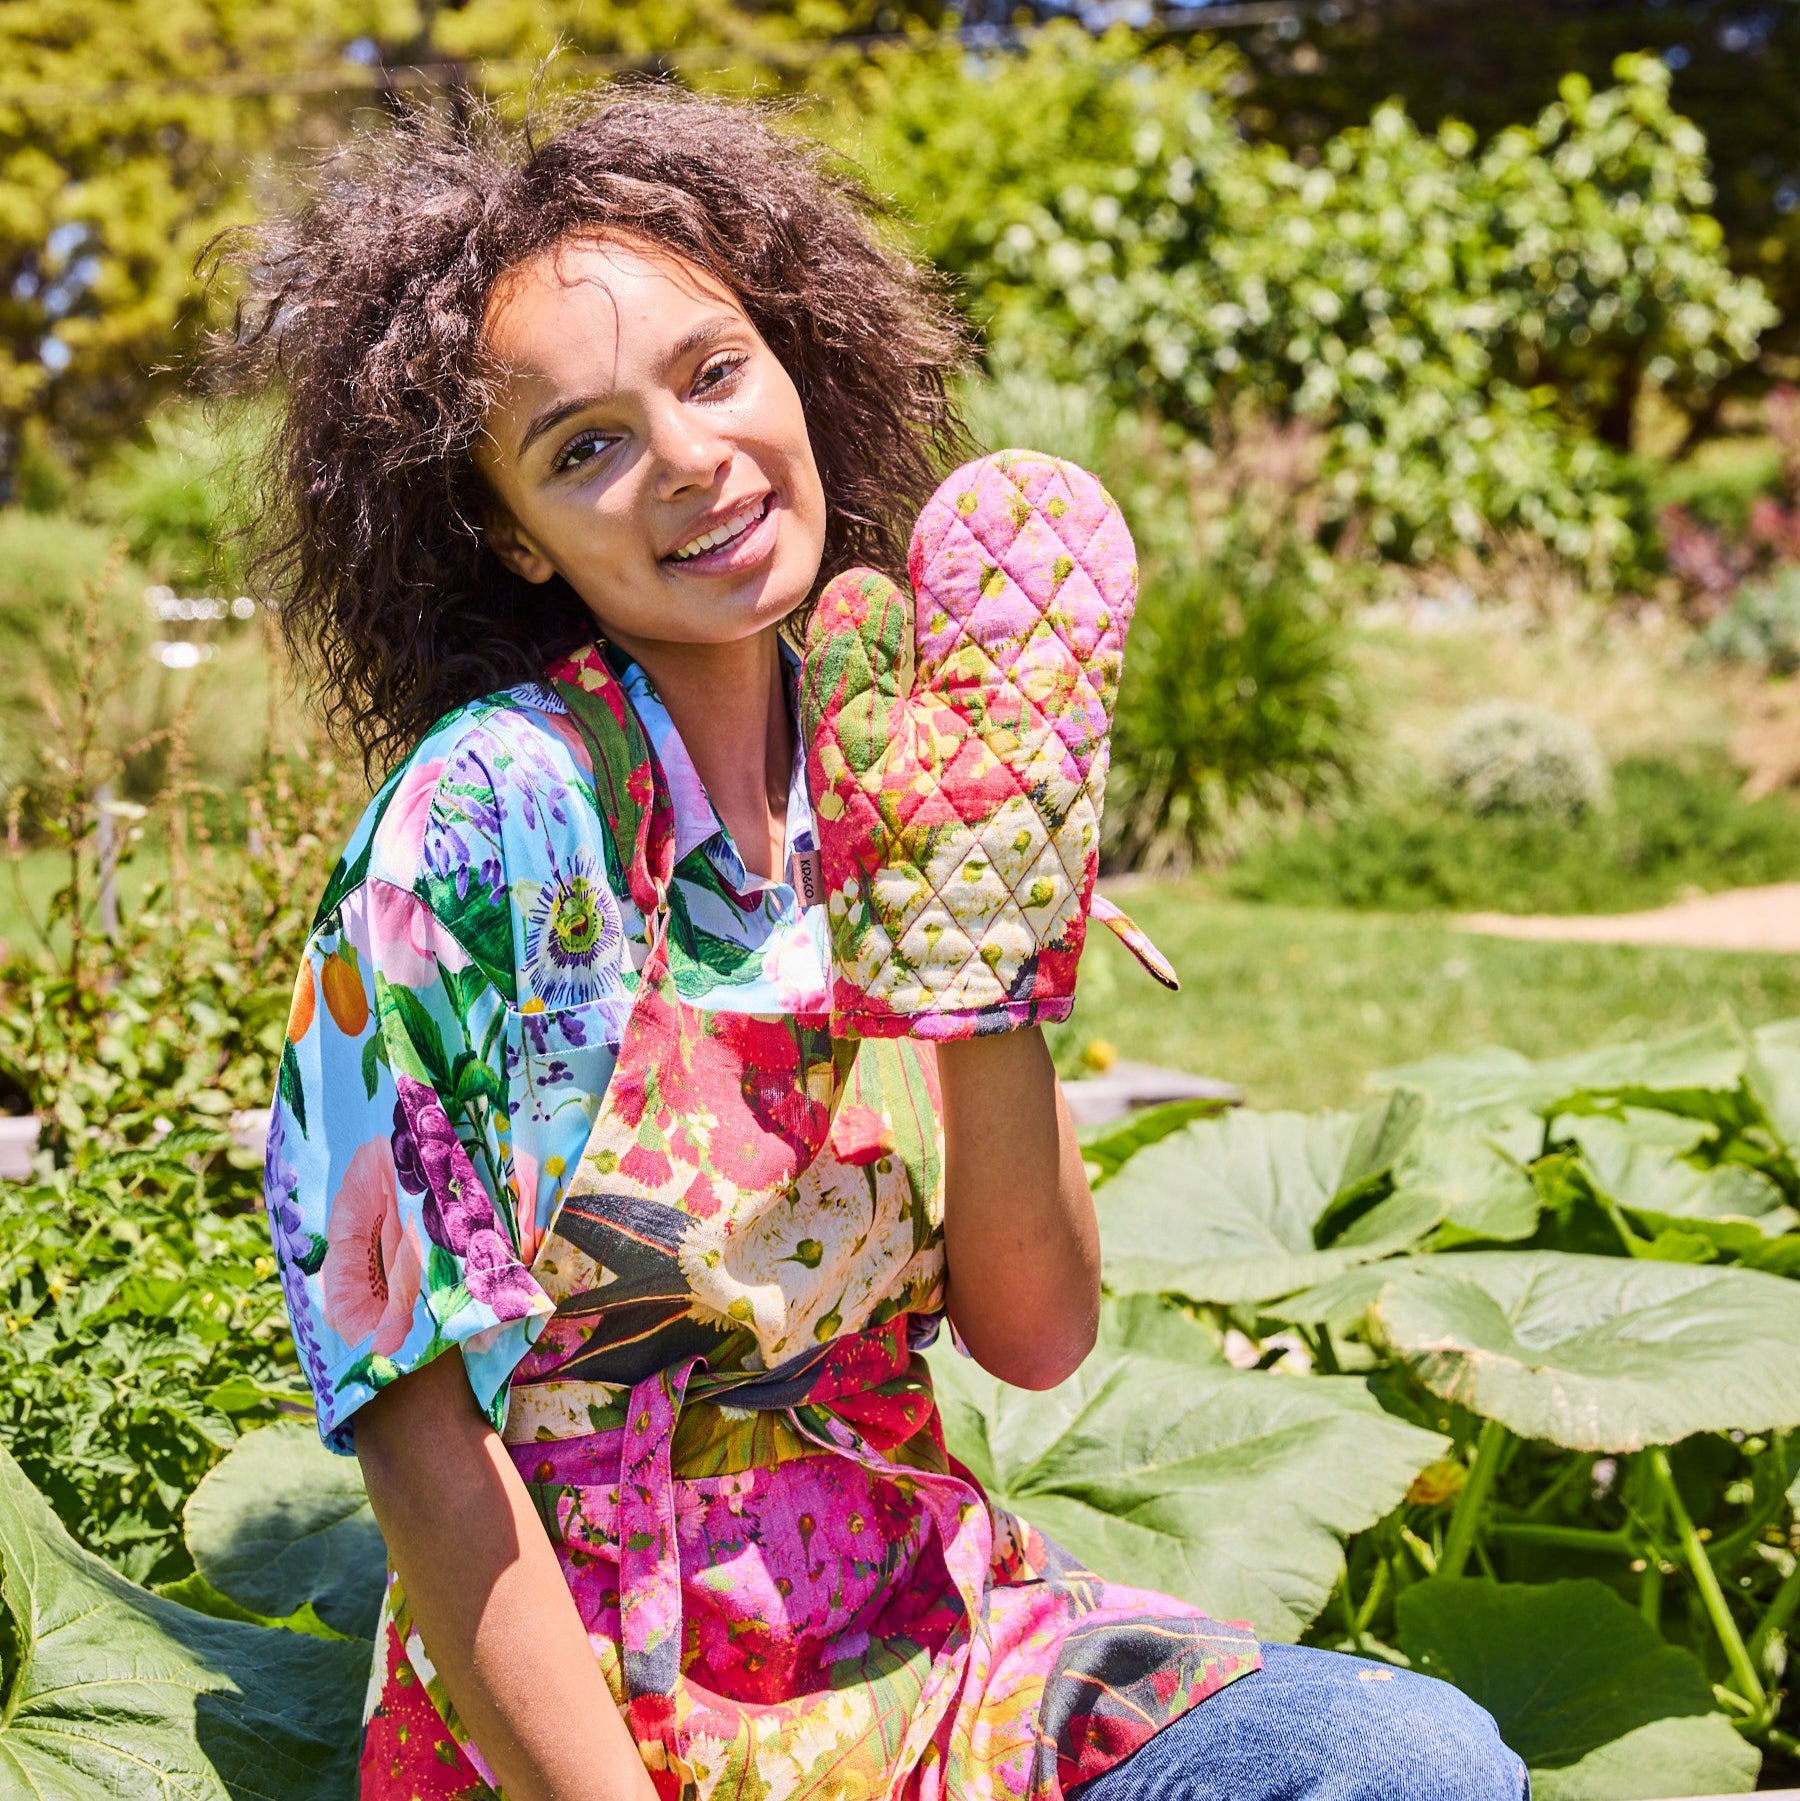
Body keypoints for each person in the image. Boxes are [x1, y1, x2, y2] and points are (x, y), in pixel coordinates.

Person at [235, 88, 1528, 1801]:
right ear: (505, 530)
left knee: (1399, 1759)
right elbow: (410, 1412)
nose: (689, 459)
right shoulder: (491, 826)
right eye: (585, 446)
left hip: (934, 1642)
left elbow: (1037, 1330)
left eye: (713, 373)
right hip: (605, 1705)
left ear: (796, 359)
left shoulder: (907, 740)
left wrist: (982, 941)